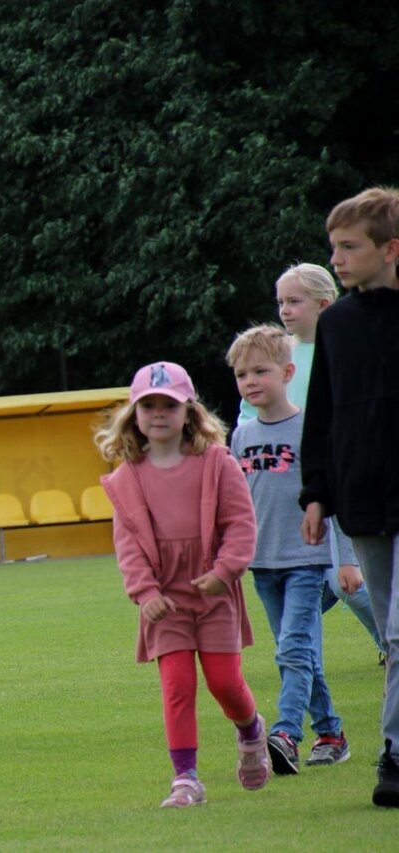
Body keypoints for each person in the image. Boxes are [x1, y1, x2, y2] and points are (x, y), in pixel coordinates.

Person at [96, 361, 268, 808]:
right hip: (165, 602)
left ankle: (251, 730)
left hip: (213, 593)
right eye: (148, 405)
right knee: (176, 685)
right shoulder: (127, 478)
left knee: (225, 682)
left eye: (168, 405)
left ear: (188, 411)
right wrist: (145, 592)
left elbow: (241, 523)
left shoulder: (216, 463)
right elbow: (128, 543)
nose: (158, 414)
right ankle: (186, 778)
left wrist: (226, 570)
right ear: (134, 414)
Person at [300, 186, 399, 808]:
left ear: (390, 249)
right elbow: (324, 417)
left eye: (349, 246)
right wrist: (316, 492)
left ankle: (393, 756)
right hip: (364, 499)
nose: (337, 258)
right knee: (393, 639)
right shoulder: (336, 324)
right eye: (333, 246)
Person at [237, 264, 381, 660]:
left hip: (340, 482)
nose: (284, 310)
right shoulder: (277, 356)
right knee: (317, 585)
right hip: (288, 490)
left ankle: (386, 643)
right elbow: (248, 418)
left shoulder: (346, 347)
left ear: (323, 303)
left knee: (343, 583)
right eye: (280, 301)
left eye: (293, 301)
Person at [228, 325, 351, 774]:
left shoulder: (310, 431)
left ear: (288, 372)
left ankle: (283, 734)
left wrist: (348, 561)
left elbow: (332, 497)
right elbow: (237, 503)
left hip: (306, 559)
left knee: (293, 651)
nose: (250, 381)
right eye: (242, 375)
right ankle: (332, 732)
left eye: (260, 370)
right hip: (263, 564)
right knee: (297, 650)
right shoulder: (240, 437)